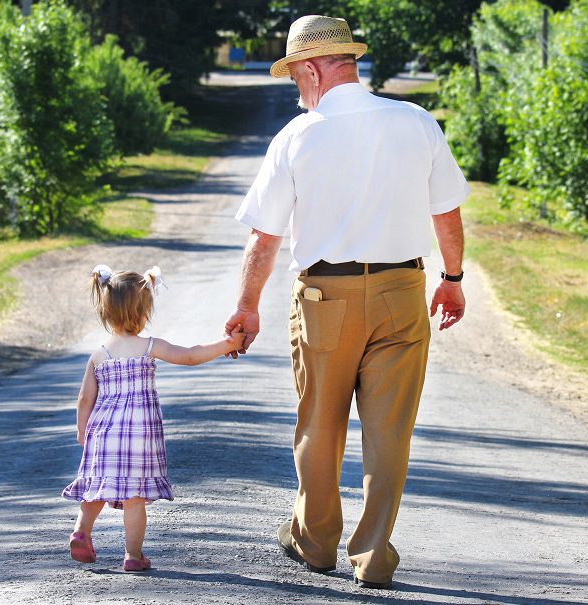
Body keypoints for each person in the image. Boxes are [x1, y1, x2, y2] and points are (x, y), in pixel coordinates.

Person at [224, 15, 470, 590]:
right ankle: (374, 555)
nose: (296, 88)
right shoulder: (416, 121)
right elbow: (447, 212)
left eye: (294, 76)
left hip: (323, 297)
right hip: (402, 291)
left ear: (310, 68)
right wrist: (452, 278)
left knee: (319, 423)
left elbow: (265, 236)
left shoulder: (298, 136)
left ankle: (314, 543)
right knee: (390, 431)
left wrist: (247, 305)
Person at [63, 264, 245, 571]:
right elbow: (190, 355)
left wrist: (83, 432)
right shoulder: (149, 347)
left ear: (106, 311)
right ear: (145, 311)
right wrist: (227, 344)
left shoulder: (99, 355)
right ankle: (133, 556)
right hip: (139, 436)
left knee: (96, 486)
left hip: (103, 433)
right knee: (134, 499)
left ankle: (82, 531)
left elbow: (85, 399)